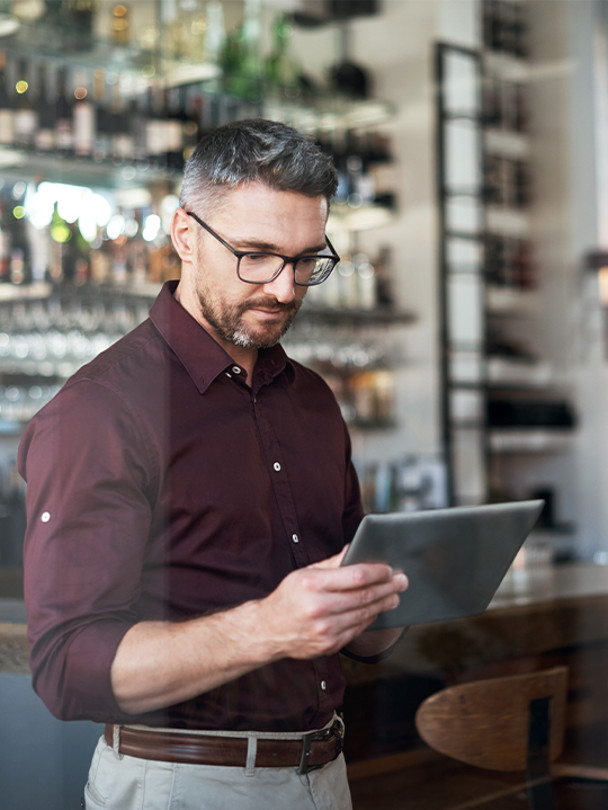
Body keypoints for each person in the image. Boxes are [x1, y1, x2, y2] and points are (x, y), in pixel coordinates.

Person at [18, 119, 408, 810]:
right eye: (256, 256)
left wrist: (395, 594)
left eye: (305, 260)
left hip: (326, 773)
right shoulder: (100, 410)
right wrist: (265, 627)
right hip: (183, 785)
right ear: (186, 235)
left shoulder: (313, 400)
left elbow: (356, 626)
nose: (285, 289)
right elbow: (65, 668)